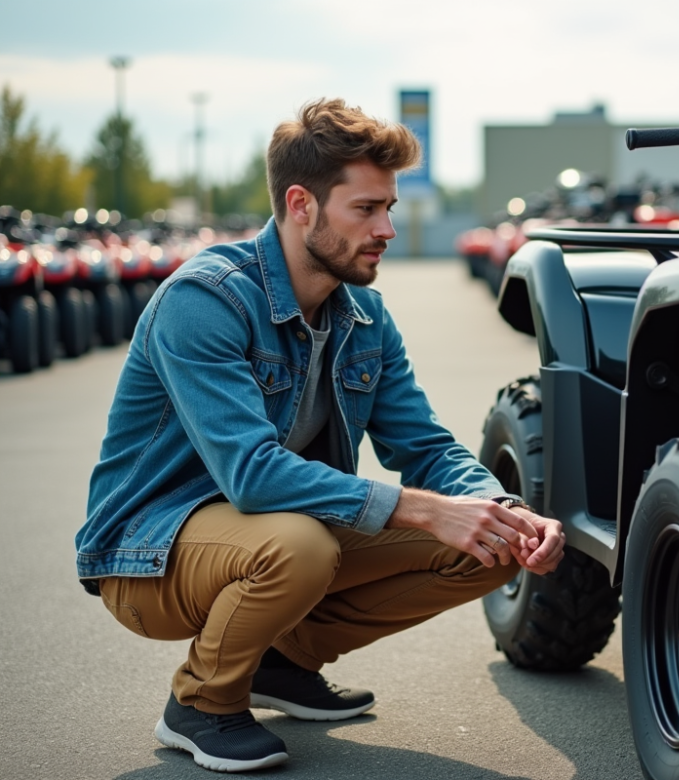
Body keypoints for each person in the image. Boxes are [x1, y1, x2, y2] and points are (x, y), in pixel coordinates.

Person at [75, 98, 564, 773]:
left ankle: (280, 662)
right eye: (366, 209)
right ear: (301, 204)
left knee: (489, 545)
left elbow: (423, 446)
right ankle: (200, 704)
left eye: (388, 207)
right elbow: (252, 474)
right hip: (150, 553)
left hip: (273, 532)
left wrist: (501, 510)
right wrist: (425, 508)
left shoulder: (363, 314)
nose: (387, 228)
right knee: (298, 545)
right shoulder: (205, 301)